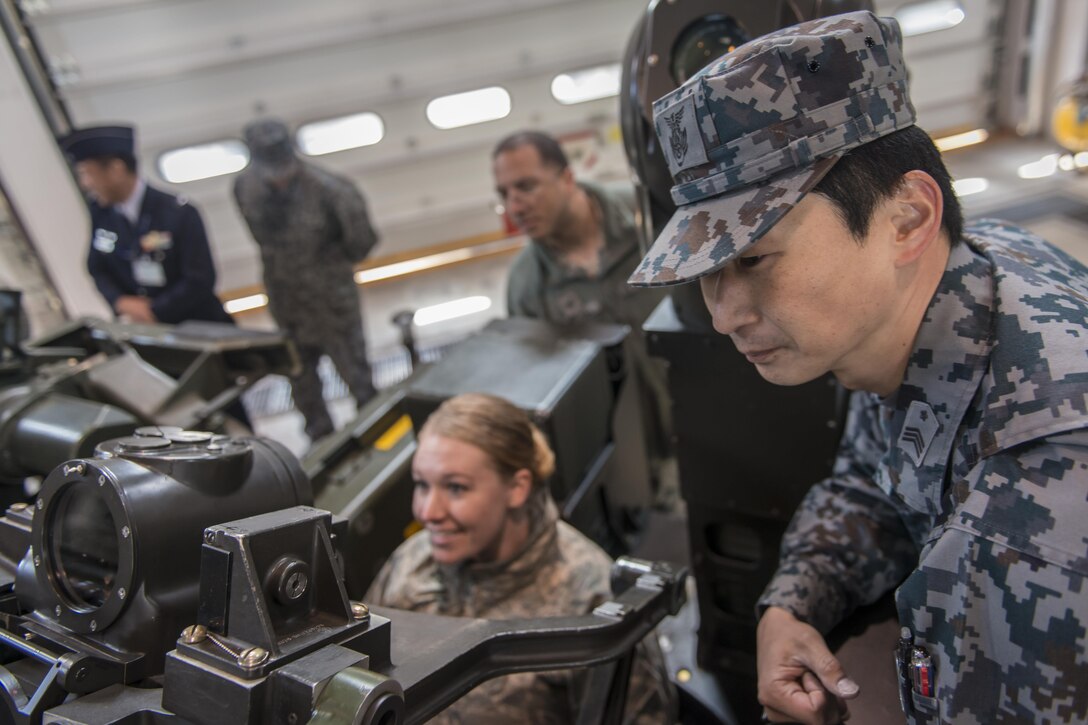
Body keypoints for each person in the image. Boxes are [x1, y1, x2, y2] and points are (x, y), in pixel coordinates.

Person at [627, 10, 1088, 725]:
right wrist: (792, 600)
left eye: (753, 258)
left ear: (907, 218)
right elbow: (876, 479)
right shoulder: (947, 284)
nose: (723, 315)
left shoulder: (1033, 496)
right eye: (709, 269)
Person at [366, 393, 677, 724]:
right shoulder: (413, 559)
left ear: (517, 487)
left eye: (456, 488)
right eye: (422, 485)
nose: (428, 512)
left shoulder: (592, 603)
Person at [492, 131, 673, 493]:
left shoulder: (648, 217)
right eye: (504, 194)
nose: (515, 206)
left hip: (702, 413)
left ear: (567, 178)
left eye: (526, 186)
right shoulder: (527, 284)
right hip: (626, 461)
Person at [233, 118, 378, 443]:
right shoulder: (246, 188)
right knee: (302, 383)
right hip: (287, 306)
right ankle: (321, 443)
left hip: (332, 305)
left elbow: (362, 243)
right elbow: (260, 238)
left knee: (359, 381)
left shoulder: (333, 191)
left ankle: (377, 440)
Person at [61, 124, 233, 325]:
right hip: (145, 331)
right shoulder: (101, 214)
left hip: (197, 324)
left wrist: (154, 311)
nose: (85, 184)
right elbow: (96, 267)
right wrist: (120, 301)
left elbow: (200, 279)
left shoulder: (178, 212)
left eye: (88, 173)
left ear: (116, 170)